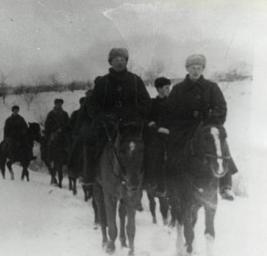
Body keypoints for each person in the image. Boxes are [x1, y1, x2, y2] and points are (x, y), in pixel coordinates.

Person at [159, 54, 237, 201]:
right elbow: (169, 110)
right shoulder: (178, 89)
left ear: (203, 69)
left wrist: (211, 117)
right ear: (187, 69)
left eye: (199, 68)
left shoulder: (211, 87)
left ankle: (225, 186)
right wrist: (182, 118)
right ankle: (170, 183)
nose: (196, 71)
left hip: (207, 127)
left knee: (221, 145)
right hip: (184, 129)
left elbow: (221, 107)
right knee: (173, 150)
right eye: (193, 68)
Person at [82, 48, 151, 185]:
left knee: (151, 143)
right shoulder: (103, 82)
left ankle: (149, 179)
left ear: (126, 61)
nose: (119, 62)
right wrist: (100, 116)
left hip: (132, 126)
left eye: (122, 59)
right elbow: (93, 103)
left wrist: (139, 117)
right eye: (116, 59)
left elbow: (146, 102)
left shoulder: (136, 81)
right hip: (108, 126)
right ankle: (89, 176)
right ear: (110, 62)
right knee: (88, 141)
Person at [143, 77, 171, 197]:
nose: (168, 90)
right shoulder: (152, 103)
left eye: (169, 87)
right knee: (155, 155)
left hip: (172, 134)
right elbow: (147, 119)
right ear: (159, 89)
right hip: (157, 136)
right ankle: (156, 184)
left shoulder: (174, 102)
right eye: (165, 88)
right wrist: (158, 128)